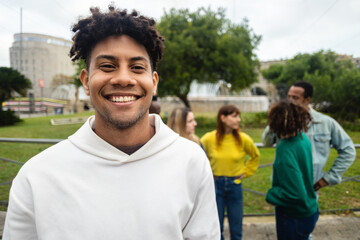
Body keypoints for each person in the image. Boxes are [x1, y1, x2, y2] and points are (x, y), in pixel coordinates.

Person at [3, 6, 220, 240]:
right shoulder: (37, 176)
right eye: (107, 66)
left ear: (154, 82)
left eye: (137, 68)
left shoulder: (191, 162)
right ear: (86, 81)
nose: (124, 79)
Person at [262, 81, 356, 191]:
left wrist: (328, 178)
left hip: (310, 188)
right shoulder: (282, 121)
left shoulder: (326, 123)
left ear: (307, 100)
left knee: (309, 208)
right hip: (283, 188)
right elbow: (266, 142)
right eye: (289, 97)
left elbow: (348, 150)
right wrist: (274, 122)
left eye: (295, 98)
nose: (290, 101)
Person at [201, 105, 260, 240]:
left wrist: (246, 171)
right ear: (223, 118)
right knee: (216, 227)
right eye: (234, 116)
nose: (238, 120)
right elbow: (197, 155)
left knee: (236, 228)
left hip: (235, 185)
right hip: (215, 186)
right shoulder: (209, 139)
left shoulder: (243, 138)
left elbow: (255, 155)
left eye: (238, 116)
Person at [265, 100, 319, 240]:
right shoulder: (302, 139)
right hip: (310, 211)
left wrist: (271, 195)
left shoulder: (285, 149)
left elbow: (295, 194)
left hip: (293, 217)